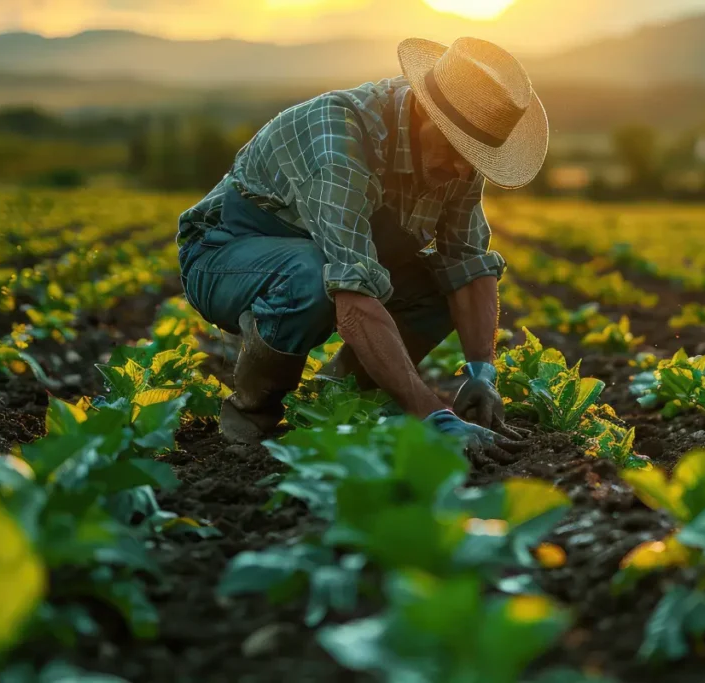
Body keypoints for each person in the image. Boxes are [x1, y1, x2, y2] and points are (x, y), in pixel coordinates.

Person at [175, 36, 548, 461]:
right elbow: (352, 296)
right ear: (425, 110)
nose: (464, 167)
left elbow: (466, 263)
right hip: (224, 257)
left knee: (436, 286)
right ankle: (251, 421)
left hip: (325, 258)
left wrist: (483, 371)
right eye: (457, 147)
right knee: (309, 275)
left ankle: (333, 404)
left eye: (475, 156)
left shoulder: (458, 162)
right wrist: (433, 414)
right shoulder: (341, 139)